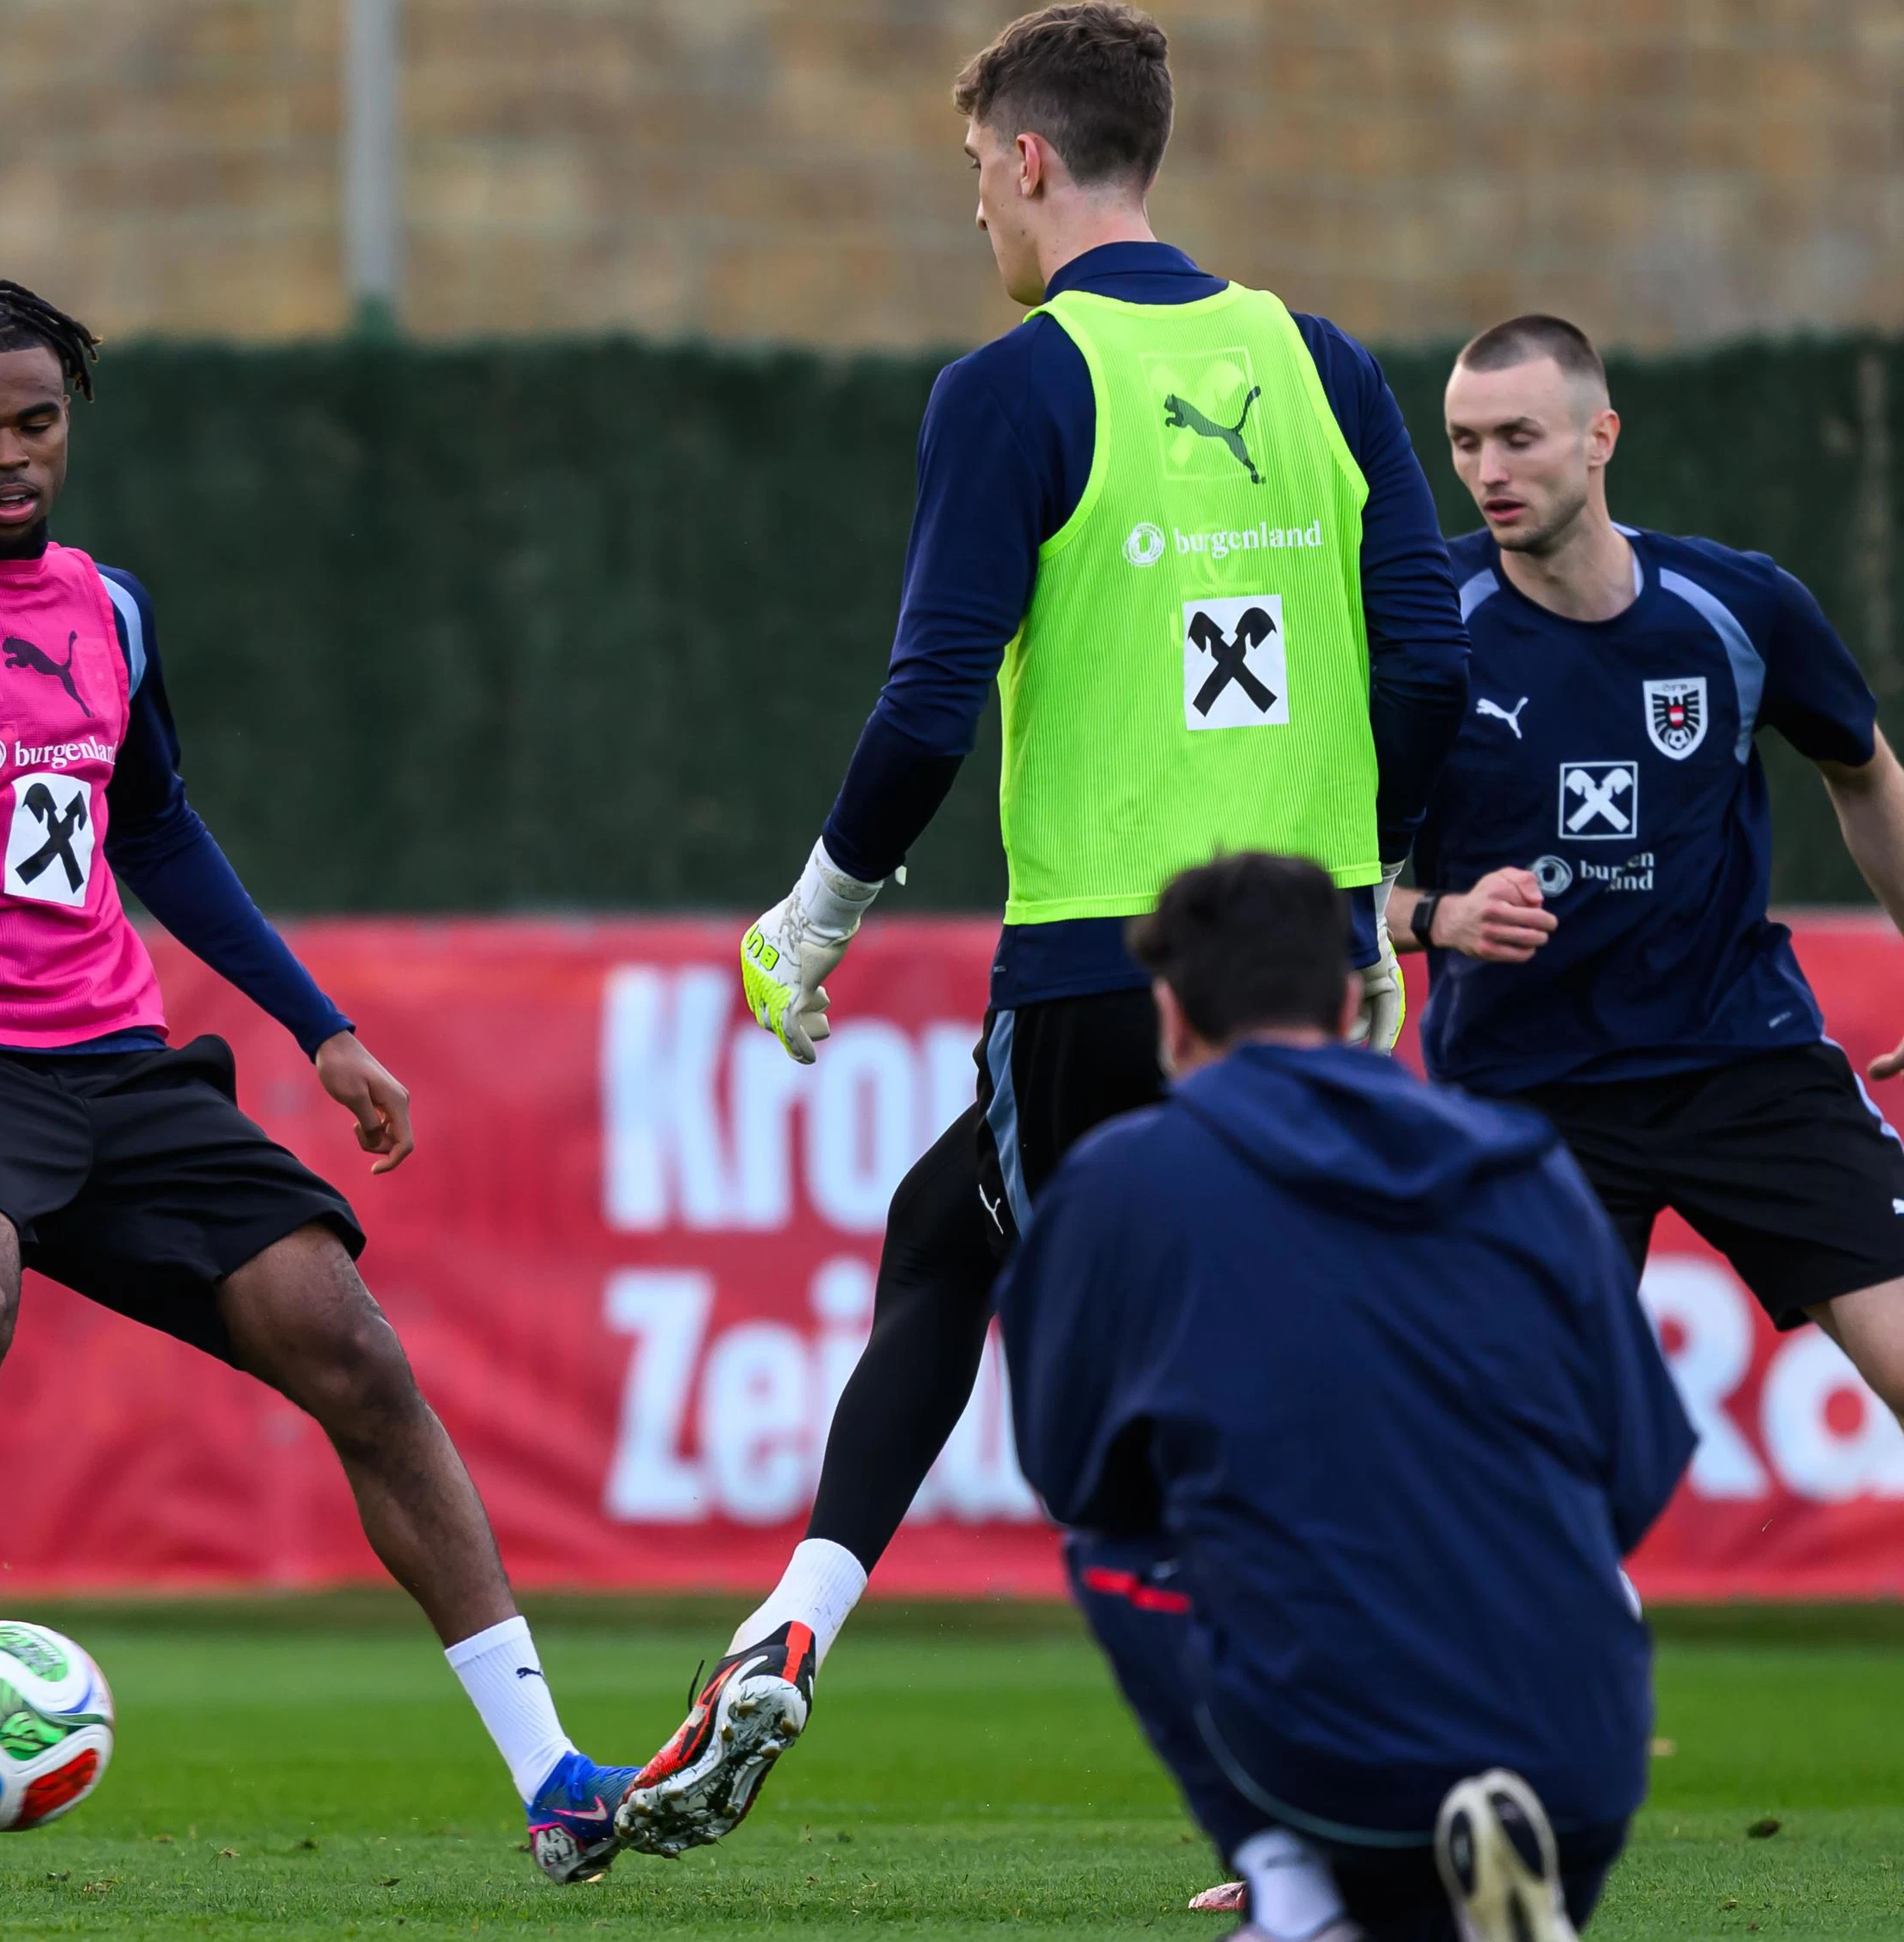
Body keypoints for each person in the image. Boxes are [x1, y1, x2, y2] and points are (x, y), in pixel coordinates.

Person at [619, 3, 1469, 1857]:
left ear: (1020, 161)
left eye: (967, 181)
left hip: (1103, 978)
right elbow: (1425, 652)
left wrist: (813, 912)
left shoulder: (1010, 383)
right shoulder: (1317, 363)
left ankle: (1322, 1799)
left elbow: (928, 701)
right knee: (995, 1247)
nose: (971, 225)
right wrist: (1367, 883)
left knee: (1024, 1324)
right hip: (1309, 964)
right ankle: (813, 1624)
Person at [0, 283, 634, 1883]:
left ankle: (554, 1774)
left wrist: (320, 1026)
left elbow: (157, 832)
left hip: (108, 1057)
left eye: (37, 424)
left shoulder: (111, 608)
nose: (11, 458)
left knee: (352, 1351)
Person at [999, 853, 1693, 1942]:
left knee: (1114, 1553)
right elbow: (1639, 1472)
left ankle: (1292, 1888)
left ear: (1170, 1017)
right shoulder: (1523, 1162)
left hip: (1331, 1760)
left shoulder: (1126, 1179)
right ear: (1347, 1001)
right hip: (1582, 1762)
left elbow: (1073, 1474)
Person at [1399, 312, 1904, 1434]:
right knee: (1516, 1444)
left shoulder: (1738, 608)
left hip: (1742, 1057)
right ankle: (1571, 1605)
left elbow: (1863, 770)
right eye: (1464, 441)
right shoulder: (1427, 629)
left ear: (1600, 436)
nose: (1488, 470)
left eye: (1518, 437)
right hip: (1526, 1093)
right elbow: (1317, 872)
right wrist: (1436, 915)